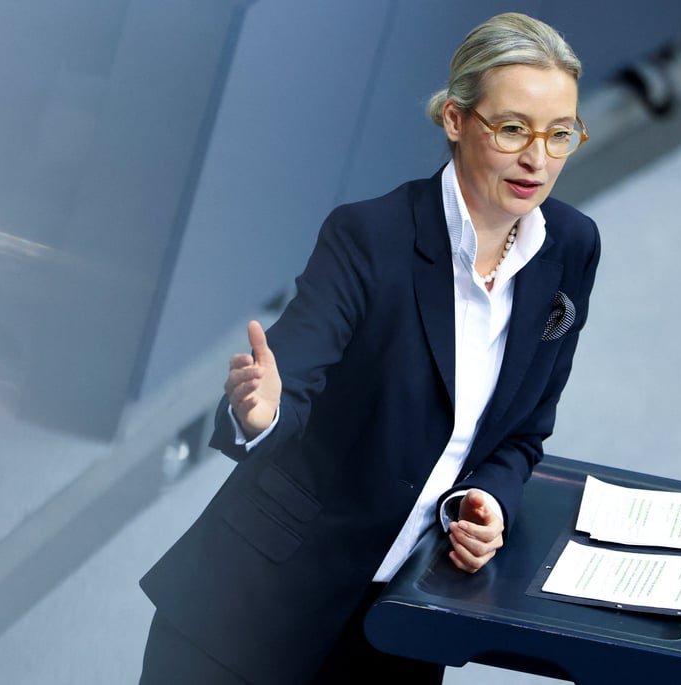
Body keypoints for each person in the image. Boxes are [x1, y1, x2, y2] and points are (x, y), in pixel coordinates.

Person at [139, 11, 600, 684]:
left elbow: (523, 433)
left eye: (560, 135)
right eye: (512, 129)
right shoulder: (370, 237)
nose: (538, 157)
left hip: (397, 625)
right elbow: (288, 380)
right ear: (454, 119)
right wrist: (260, 411)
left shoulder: (570, 247)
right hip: (257, 610)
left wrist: (486, 504)